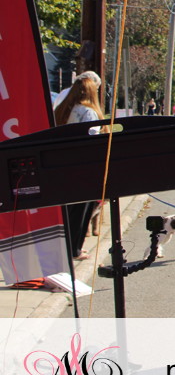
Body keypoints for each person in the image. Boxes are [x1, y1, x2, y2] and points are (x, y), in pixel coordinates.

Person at [54, 75, 105, 260]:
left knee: (67, 210)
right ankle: (75, 249)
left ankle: (64, 247)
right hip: (83, 166)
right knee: (82, 209)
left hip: (62, 165)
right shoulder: (88, 113)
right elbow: (92, 141)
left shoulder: (61, 110)